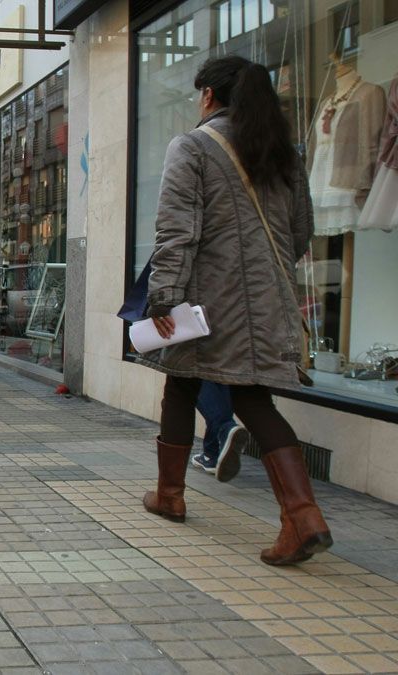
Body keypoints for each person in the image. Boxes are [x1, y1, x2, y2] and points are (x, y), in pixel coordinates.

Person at [140, 56, 331, 566]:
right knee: (252, 398)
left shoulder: (194, 145)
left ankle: (172, 495)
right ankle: (302, 515)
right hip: (269, 300)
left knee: (181, 382)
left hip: (207, 298)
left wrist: (164, 296)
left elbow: (177, 230)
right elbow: (299, 233)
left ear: (208, 95)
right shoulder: (283, 155)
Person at [120, 261, 249, 482]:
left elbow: (173, 251)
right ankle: (212, 451)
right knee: (215, 373)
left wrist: (160, 304)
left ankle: (224, 430)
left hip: (191, 304)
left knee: (187, 380)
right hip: (233, 303)